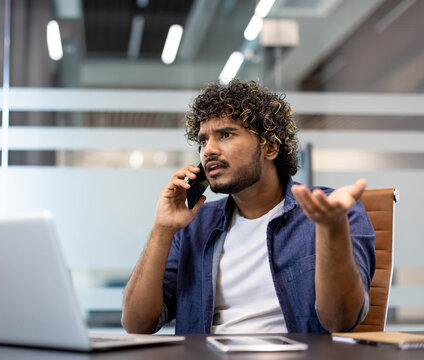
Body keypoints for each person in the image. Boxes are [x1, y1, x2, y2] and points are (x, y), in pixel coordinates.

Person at [121, 79, 376, 334]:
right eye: (202, 141)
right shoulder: (195, 225)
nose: (208, 150)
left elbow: (341, 321)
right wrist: (162, 229)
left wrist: (332, 230)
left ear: (271, 147)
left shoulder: (330, 212)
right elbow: (137, 324)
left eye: (226, 134)